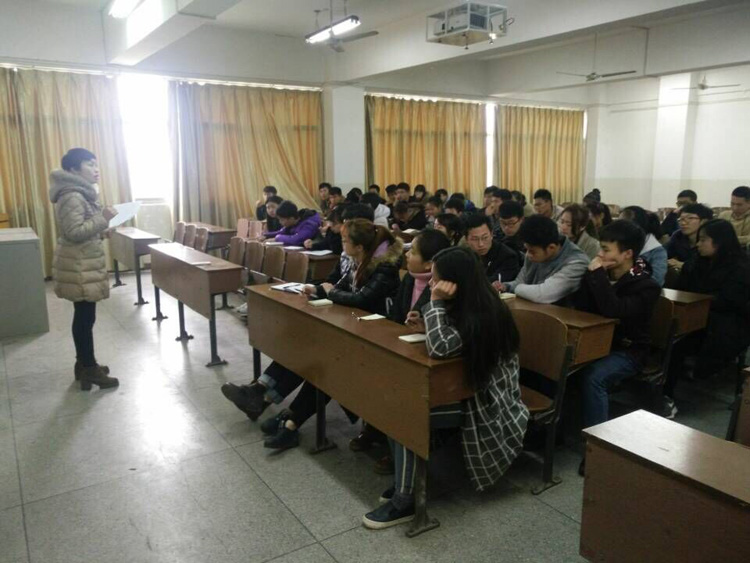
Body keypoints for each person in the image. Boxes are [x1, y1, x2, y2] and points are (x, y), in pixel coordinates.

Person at [362, 246, 528, 529]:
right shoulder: (470, 302)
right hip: (466, 388)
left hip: (488, 403)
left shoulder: (486, 313)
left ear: (455, 282)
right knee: (393, 406)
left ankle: (406, 500)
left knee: (405, 417)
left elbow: (441, 348)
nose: (432, 284)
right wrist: (426, 326)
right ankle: (408, 482)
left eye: (437, 279)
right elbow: (452, 343)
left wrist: (435, 303)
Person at [221, 220, 403, 449]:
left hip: (376, 337)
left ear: (359, 246)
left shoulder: (385, 266)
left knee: (324, 364)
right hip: (354, 328)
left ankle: (282, 414)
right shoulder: (358, 260)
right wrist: (316, 289)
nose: (341, 244)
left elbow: (361, 299)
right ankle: (264, 398)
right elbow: (340, 288)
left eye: (345, 241)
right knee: (306, 349)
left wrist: (331, 292)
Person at [349, 229, 452, 461]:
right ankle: (375, 429)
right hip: (404, 344)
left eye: (412, 251)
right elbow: (396, 317)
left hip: (427, 353)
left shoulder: (444, 288)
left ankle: (397, 444)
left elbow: (444, 330)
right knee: (369, 368)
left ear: (429, 263)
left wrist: (422, 327)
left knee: (396, 384)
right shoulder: (409, 279)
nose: (406, 254)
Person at [573, 221, 660, 460]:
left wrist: (596, 275)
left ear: (627, 253)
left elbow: (614, 310)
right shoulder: (603, 274)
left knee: (594, 377)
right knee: (559, 361)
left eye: (606, 249)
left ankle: (597, 450)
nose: (600, 254)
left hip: (629, 350)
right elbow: (581, 306)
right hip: (598, 341)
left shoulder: (646, 285)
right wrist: (591, 277)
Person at [663, 219, 750, 418]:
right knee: (666, 328)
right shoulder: (697, 261)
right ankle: (658, 382)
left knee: (677, 342)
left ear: (719, 242)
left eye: (703, 240)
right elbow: (681, 289)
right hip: (695, 315)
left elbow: (730, 301)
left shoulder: (741, 267)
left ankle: (667, 394)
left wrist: (698, 303)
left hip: (728, 322)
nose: (698, 244)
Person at [50, 148, 119, 390]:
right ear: (73, 169)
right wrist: (104, 218)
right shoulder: (72, 195)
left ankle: (84, 364)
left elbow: (81, 229)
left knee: (85, 316)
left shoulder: (79, 193)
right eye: (89, 164)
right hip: (79, 265)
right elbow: (74, 232)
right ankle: (89, 367)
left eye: (95, 164)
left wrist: (101, 231)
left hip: (82, 262)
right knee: (84, 318)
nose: (96, 169)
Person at [501, 215, 589, 305]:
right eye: (526, 249)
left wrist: (514, 288)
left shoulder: (577, 262)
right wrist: (505, 286)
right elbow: (521, 281)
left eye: (532, 251)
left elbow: (542, 295)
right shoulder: (536, 250)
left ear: (551, 248)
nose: (527, 255)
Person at [464, 214, 521, 288]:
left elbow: (495, 282)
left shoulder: (507, 256)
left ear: (491, 234)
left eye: (485, 237)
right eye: (475, 239)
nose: (481, 244)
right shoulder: (462, 256)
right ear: (466, 239)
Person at [620, 206, 667, 286]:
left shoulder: (657, 251)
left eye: (622, 225)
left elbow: (656, 280)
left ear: (637, 227)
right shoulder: (618, 244)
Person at [665, 203, 713, 272]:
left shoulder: (712, 239)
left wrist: (683, 265)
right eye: (681, 219)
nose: (683, 223)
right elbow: (664, 254)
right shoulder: (678, 235)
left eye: (690, 218)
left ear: (704, 221)